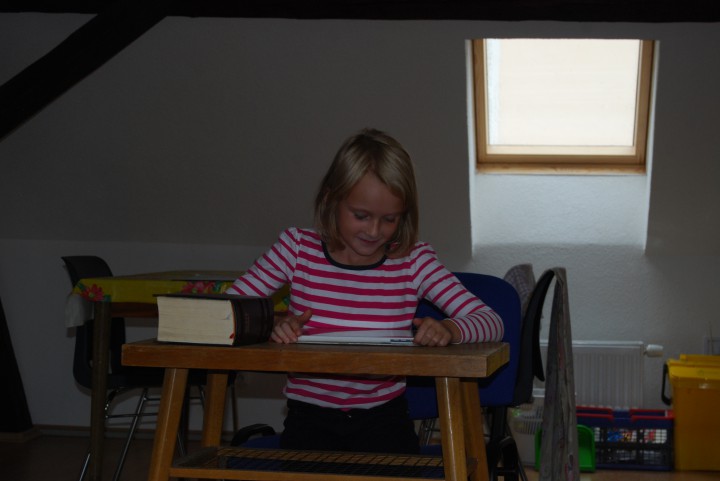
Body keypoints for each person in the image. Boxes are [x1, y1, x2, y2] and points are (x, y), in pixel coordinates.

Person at [225, 127, 504, 454]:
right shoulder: (296, 249)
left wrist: (449, 329)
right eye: (361, 215)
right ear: (330, 199)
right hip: (308, 422)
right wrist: (272, 324)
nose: (374, 231)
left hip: (385, 423)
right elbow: (225, 312)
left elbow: (491, 321)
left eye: (389, 219)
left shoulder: (413, 261)